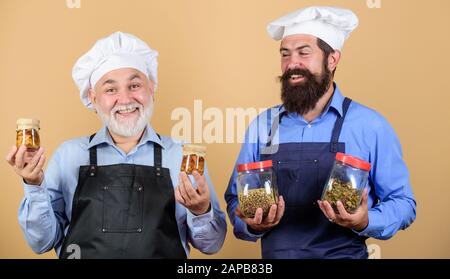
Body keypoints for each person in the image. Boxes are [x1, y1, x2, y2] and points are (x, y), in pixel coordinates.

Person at [6, 31, 227, 259]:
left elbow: (212, 245)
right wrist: (33, 185)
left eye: (134, 85)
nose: (125, 99)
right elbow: (40, 242)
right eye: (111, 89)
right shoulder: (69, 155)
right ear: (93, 97)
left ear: (151, 88)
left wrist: (201, 211)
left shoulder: (183, 156)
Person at [225, 6, 416, 259]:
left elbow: (403, 203)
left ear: (333, 59)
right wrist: (251, 224)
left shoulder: (369, 125)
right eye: (285, 54)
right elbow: (235, 200)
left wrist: (364, 221)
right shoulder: (264, 125)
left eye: (304, 52)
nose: (292, 63)